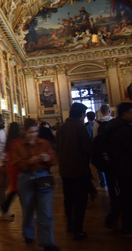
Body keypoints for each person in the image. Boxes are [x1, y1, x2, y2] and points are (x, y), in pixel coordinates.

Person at [10, 119, 60, 251]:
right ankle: (28, 233)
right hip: (25, 179)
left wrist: (48, 159)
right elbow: (15, 163)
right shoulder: (19, 146)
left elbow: (54, 159)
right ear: (25, 132)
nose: (34, 134)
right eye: (31, 132)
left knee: (45, 212)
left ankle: (47, 242)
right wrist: (29, 162)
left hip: (43, 178)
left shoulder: (44, 143)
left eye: (36, 131)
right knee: (27, 209)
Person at [56, 102, 92, 241]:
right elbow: (87, 149)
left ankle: (70, 224)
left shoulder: (61, 127)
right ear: (82, 115)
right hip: (79, 170)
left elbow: (57, 146)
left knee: (68, 199)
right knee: (80, 201)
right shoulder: (80, 127)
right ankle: (78, 229)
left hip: (64, 170)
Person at [103, 102, 132, 234]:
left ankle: (115, 220)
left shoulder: (115, 126)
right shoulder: (122, 128)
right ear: (125, 113)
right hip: (124, 166)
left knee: (125, 194)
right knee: (126, 195)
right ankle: (123, 224)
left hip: (118, 165)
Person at [0, 122, 22, 221]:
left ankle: (3, 211)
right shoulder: (17, 141)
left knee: (15, 190)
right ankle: (3, 211)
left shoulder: (9, 141)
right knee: (16, 190)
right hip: (17, 168)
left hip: (12, 167)